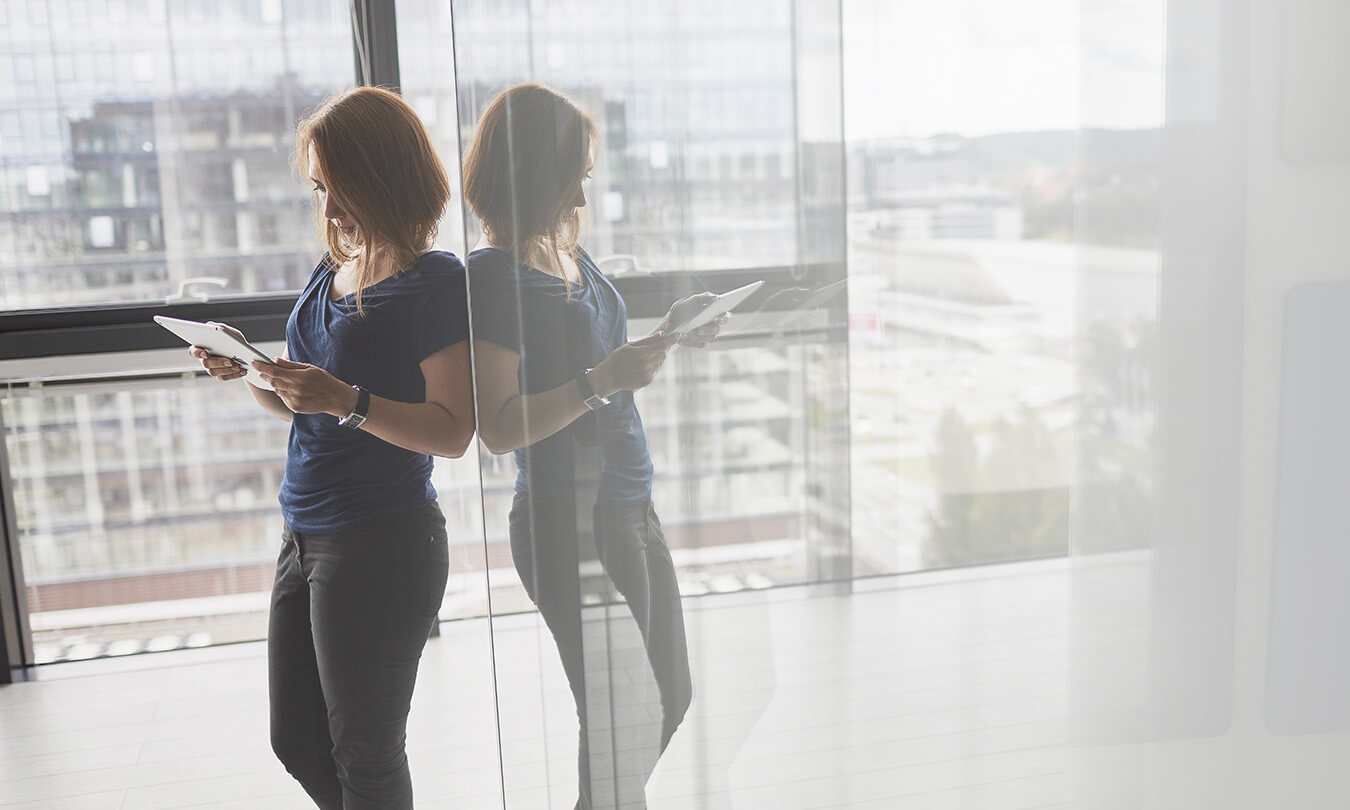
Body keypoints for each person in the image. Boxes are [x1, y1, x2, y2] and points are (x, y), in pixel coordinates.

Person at [189, 86, 473, 810]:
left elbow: (453, 430)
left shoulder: (436, 282)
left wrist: (346, 400)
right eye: (319, 187)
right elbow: (299, 401)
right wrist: (249, 370)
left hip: (382, 539)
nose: (329, 205)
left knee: (366, 756)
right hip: (304, 533)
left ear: (380, 175)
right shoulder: (331, 270)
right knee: (298, 741)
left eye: (337, 185)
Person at [463, 82, 722, 810]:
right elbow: (499, 427)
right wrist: (600, 380)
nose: (582, 196)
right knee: (622, 714)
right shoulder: (492, 277)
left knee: (667, 696)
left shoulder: (563, 252)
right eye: (573, 175)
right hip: (564, 517)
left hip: (630, 505)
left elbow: (601, 359)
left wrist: (670, 327)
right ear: (534, 175)